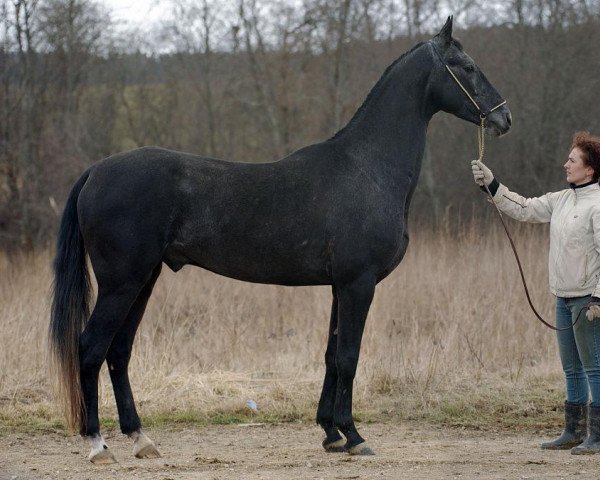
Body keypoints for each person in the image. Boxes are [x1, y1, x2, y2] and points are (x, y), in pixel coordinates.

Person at [472, 131, 600, 455]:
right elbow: (526, 208)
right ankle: (573, 431)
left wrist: (599, 297)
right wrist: (494, 184)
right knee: (571, 368)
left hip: (588, 301)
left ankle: (596, 437)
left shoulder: (597, 205)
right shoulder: (561, 199)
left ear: (590, 169)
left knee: (594, 367)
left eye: (572, 160)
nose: (565, 164)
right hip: (562, 297)